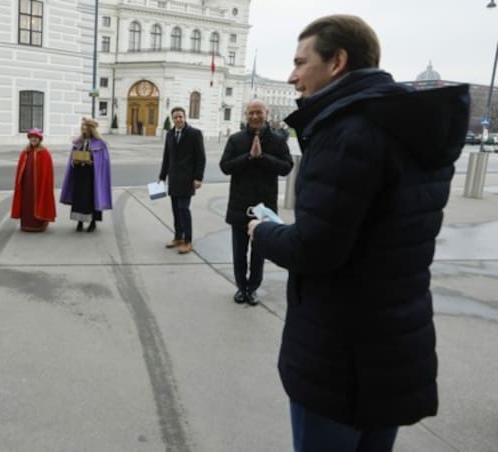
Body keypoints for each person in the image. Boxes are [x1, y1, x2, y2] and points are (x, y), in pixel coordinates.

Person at [247, 15, 469, 451]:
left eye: (300, 62)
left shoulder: (346, 132)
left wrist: (263, 231)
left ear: (337, 62)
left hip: (339, 353)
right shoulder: (411, 124)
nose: (292, 76)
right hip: (396, 342)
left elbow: (317, 248)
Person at [220, 99, 293, 306]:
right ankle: (241, 288)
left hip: (264, 207)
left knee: (259, 253)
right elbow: (225, 166)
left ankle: (253, 289)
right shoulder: (236, 140)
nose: (255, 116)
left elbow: (286, 167)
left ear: (266, 113)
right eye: (251, 113)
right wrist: (249, 157)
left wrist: (263, 158)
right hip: (239, 205)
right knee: (239, 252)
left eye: (258, 112)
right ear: (246, 115)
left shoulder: (278, 141)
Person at [158, 106, 206, 254]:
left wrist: (198, 178)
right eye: (175, 117)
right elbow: (167, 157)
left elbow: (201, 158)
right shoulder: (170, 134)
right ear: (172, 119)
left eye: (181, 116)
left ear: (185, 117)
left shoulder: (194, 134)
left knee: (183, 209)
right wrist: (162, 176)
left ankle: (187, 240)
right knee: (175, 210)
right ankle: (178, 236)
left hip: (187, 179)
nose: (178, 119)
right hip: (174, 179)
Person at [59, 117, 112, 232]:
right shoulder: (78, 142)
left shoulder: (100, 144)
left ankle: (93, 222)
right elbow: (71, 159)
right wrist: (74, 161)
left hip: (92, 177)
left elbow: (103, 162)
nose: (82, 128)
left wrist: (92, 162)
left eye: (85, 126)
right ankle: (79, 222)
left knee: (91, 198)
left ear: (90, 128)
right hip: (79, 175)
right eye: (82, 126)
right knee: (79, 199)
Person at [11, 128, 56, 232]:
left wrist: (43, 184)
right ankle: (26, 224)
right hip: (26, 183)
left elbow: (47, 172)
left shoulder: (44, 153)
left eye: (36, 137)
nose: (33, 139)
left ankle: (38, 224)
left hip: (39, 184)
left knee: (38, 201)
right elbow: (20, 169)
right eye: (32, 137)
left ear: (40, 139)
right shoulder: (25, 151)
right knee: (26, 202)